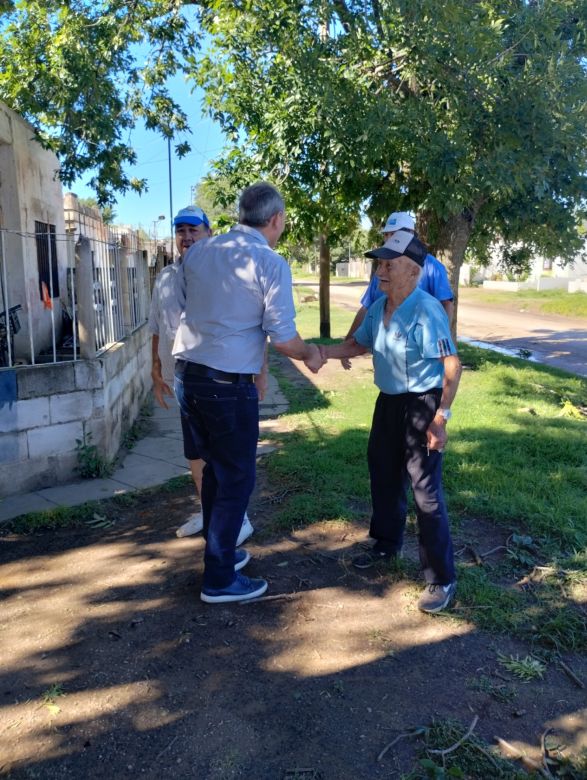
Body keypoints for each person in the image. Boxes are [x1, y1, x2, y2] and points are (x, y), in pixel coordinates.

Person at [171, 182, 324, 604]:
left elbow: (189, 306)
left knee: (216, 473)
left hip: (189, 377)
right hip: (225, 386)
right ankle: (219, 579)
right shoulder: (270, 262)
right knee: (236, 477)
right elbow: (283, 336)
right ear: (276, 219)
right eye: (283, 221)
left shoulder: (200, 251)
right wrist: (311, 353)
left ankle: (220, 554)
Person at [319, 230, 462, 614]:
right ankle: (385, 544)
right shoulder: (382, 304)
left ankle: (441, 578)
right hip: (388, 403)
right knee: (382, 472)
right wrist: (320, 352)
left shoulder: (427, 309)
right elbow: (357, 345)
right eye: (379, 263)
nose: (380, 269)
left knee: (425, 489)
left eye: (388, 264)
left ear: (413, 271)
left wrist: (440, 417)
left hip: (422, 403)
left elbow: (452, 365)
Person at [148, 205, 255, 543]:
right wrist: (155, 368)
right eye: (181, 230)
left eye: (194, 229)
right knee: (194, 454)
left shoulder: (220, 275)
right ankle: (209, 513)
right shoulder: (166, 277)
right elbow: (156, 326)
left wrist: (260, 370)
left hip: (217, 377)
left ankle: (239, 521)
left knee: (222, 457)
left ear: (208, 233)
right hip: (183, 378)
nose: (187, 236)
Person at [341, 212, 454, 368]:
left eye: (394, 233)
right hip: (389, 357)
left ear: (411, 234)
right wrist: (348, 342)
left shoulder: (432, 266)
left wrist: (440, 342)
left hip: (419, 359)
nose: (389, 238)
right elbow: (367, 307)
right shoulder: (383, 269)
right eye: (387, 234)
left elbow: (446, 305)